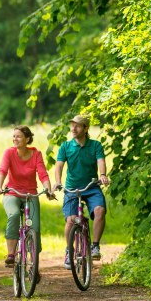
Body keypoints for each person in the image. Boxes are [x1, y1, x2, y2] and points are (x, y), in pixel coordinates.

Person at [53, 114, 110, 269]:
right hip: (72, 189)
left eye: (77, 126)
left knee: (100, 210)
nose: (73, 128)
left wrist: (103, 175)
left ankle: (95, 246)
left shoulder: (95, 145)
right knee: (71, 220)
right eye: (72, 126)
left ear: (85, 128)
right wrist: (58, 182)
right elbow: (59, 166)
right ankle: (69, 250)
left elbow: (101, 162)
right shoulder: (65, 146)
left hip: (91, 187)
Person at [0, 126, 55, 268]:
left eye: (19, 136)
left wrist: (48, 189)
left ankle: (34, 264)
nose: (15, 139)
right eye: (14, 136)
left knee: (35, 228)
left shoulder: (36, 154)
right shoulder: (9, 153)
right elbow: (2, 170)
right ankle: (11, 254)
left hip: (30, 194)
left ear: (27, 139)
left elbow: (43, 174)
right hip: (12, 193)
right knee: (14, 215)